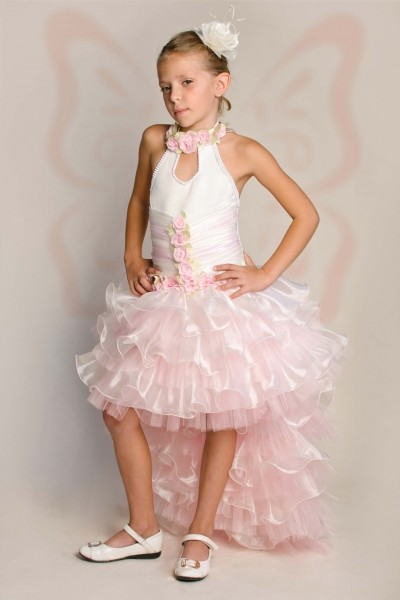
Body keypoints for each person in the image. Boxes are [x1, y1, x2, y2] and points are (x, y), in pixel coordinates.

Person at [76, 17, 347, 581]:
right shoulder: (154, 140)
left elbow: (306, 214)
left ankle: (200, 531)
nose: (175, 97)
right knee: (117, 407)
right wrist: (132, 258)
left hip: (222, 306)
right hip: (163, 302)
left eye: (187, 83)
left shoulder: (242, 151)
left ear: (220, 84)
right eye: (166, 86)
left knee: (223, 416)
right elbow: (137, 201)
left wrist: (264, 275)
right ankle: (144, 528)